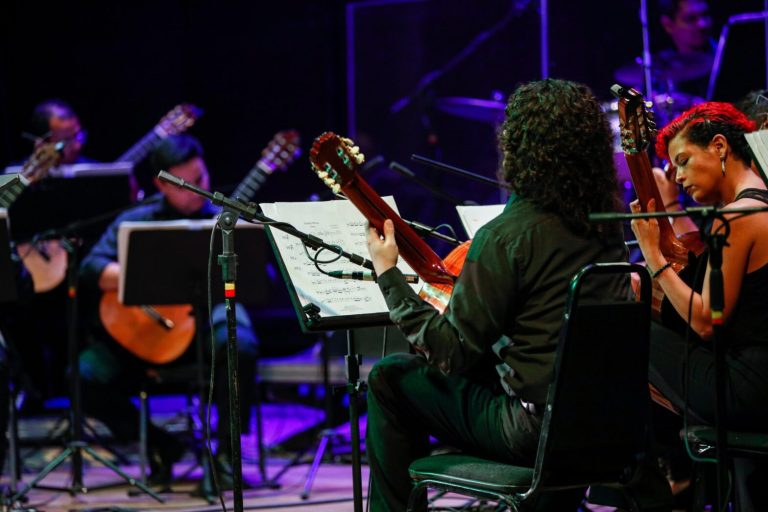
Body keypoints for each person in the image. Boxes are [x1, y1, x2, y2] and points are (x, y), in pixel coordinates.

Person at [363, 79, 633, 511]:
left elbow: (451, 353)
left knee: (390, 378)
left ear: (518, 148)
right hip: (607, 426)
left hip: (532, 432)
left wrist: (388, 274)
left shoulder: (506, 236)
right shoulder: (606, 224)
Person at [78, 134, 259, 490]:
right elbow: (90, 269)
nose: (197, 190)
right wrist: (148, 275)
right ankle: (163, 447)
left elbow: (259, 275)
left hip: (207, 321)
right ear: (161, 184)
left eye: (202, 178)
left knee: (242, 345)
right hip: (146, 333)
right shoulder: (137, 219)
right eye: (186, 184)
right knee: (82, 377)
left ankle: (226, 456)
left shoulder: (224, 220)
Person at [631, 102, 768, 509]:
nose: (678, 177)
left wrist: (653, 257)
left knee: (623, 329)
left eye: (684, 161)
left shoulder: (740, 216)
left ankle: (662, 479)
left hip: (747, 390)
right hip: (756, 381)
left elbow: (708, 320)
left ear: (721, 146)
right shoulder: (760, 202)